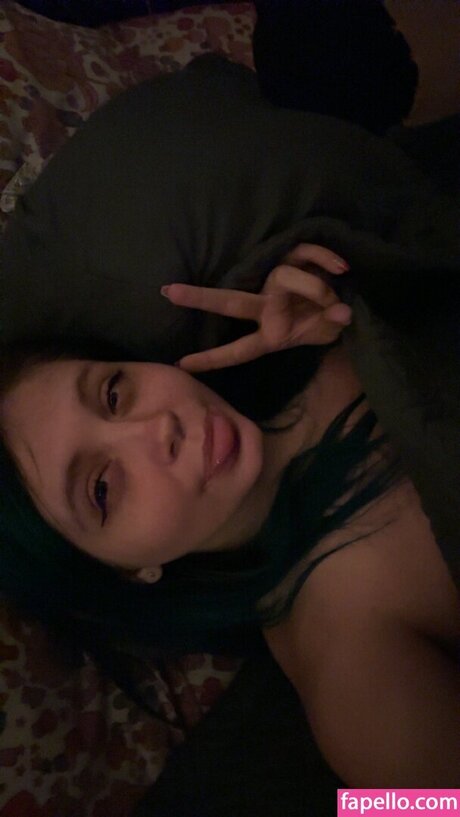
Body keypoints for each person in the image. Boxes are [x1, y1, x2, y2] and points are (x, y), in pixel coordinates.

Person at [1, 55, 460, 798]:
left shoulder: (280, 324)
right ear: (128, 571)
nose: (156, 428)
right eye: (102, 488)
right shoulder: (350, 676)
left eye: (113, 392)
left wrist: (356, 284)